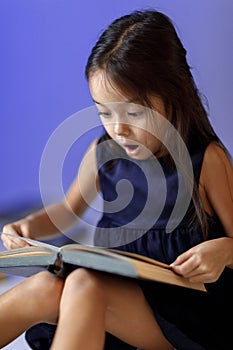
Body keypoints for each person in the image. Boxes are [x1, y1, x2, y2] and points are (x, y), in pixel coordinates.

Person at [1, 9, 233, 350]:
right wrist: (27, 227)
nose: (118, 128)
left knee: (83, 285)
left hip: (184, 311)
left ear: (173, 96)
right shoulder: (103, 153)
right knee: (46, 288)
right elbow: (67, 211)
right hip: (115, 295)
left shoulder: (205, 159)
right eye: (104, 112)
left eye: (134, 113)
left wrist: (223, 249)